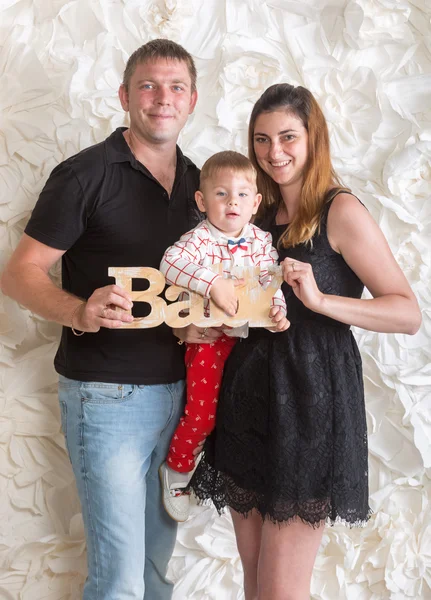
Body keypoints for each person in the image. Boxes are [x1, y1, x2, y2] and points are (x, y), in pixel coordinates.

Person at [185, 83, 422, 600]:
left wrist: (320, 301)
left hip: (310, 408)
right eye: (263, 139)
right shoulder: (255, 217)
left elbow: (407, 313)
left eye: (288, 137)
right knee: (254, 584)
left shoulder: (340, 210)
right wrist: (205, 323)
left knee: (279, 591)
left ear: (314, 139)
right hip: (248, 401)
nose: (275, 153)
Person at [1, 38, 204, 600]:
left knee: (157, 575)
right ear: (124, 96)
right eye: (148, 85)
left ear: (193, 100)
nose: (162, 98)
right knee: (118, 582)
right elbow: (19, 273)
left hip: (183, 399)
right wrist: (80, 311)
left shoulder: (201, 186)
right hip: (106, 398)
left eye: (176, 87)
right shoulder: (83, 175)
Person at [158, 150, 289, 522]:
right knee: (202, 413)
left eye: (242, 195)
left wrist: (276, 308)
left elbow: (269, 279)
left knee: (242, 416)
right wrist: (212, 281)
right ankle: (178, 468)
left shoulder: (261, 240)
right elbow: (170, 262)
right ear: (201, 201)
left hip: (248, 341)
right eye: (221, 194)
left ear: (256, 202)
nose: (233, 202)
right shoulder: (199, 238)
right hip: (209, 337)